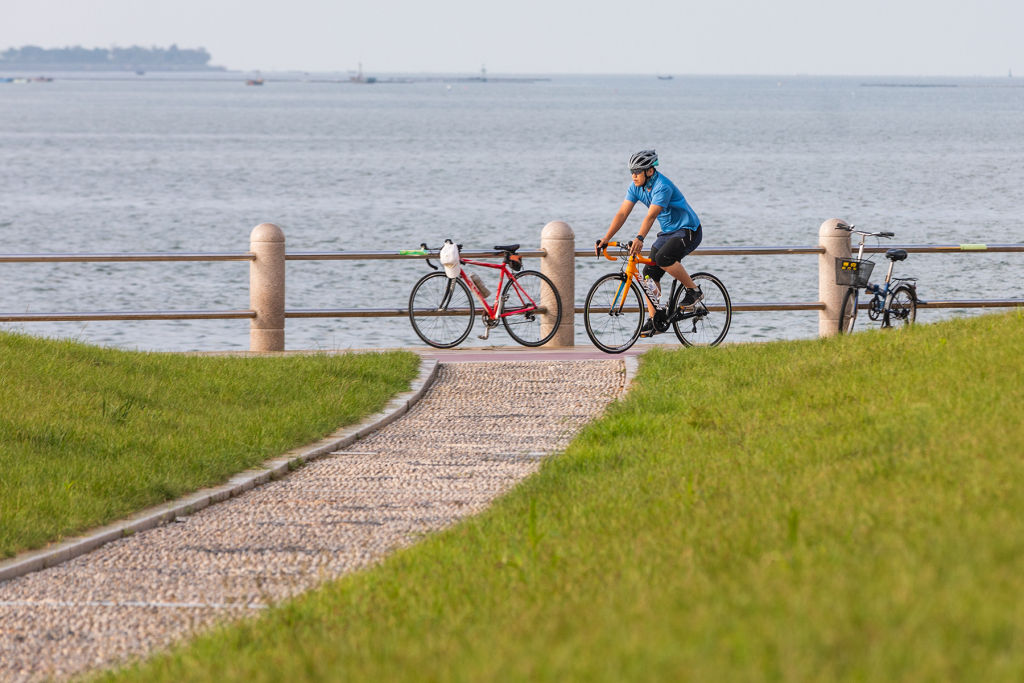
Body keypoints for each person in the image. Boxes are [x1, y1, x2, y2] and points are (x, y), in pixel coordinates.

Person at [595, 149, 704, 336]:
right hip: (669, 233)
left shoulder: (662, 186)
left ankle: (693, 290)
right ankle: (656, 320)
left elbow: (652, 215)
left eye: (637, 171)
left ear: (650, 171)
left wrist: (639, 238)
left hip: (689, 230)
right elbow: (622, 213)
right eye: (631, 172)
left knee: (663, 258)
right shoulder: (635, 187)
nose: (634, 176)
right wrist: (606, 238)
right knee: (648, 274)